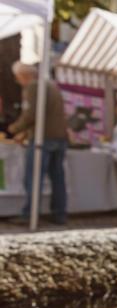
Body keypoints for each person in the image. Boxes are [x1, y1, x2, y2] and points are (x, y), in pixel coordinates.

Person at [8, 62, 69, 225]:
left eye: (17, 77)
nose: (17, 80)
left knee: (33, 177)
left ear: (24, 75)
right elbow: (43, 115)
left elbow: (31, 114)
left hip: (44, 138)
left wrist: (13, 129)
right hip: (59, 137)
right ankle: (59, 213)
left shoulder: (34, 87)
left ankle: (30, 214)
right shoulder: (50, 86)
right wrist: (25, 132)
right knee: (57, 177)